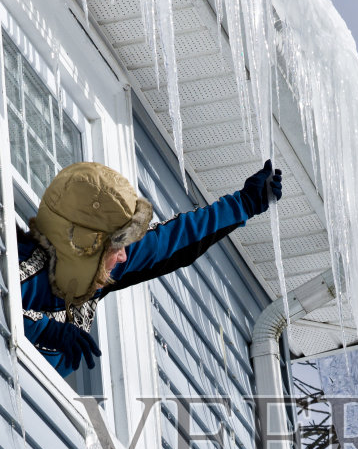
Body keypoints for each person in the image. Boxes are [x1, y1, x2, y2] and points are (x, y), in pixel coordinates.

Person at [18, 160, 284, 376]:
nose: (123, 257)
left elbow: (168, 242)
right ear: (87, 246)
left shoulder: (86, 277)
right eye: (117, 248)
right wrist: (42, 329)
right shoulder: (26, 267)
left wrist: (245, 204)